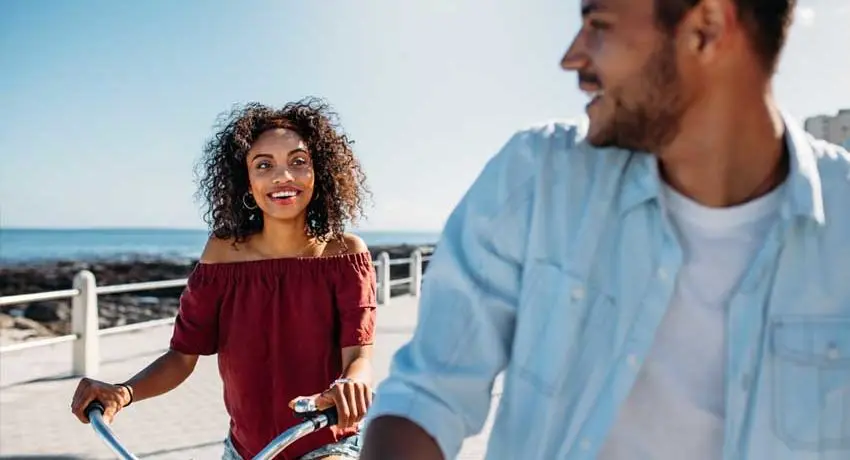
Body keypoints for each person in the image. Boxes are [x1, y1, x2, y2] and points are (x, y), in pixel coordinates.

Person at [361, 1, 850, 459]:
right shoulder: (538, 178)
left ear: (706, 29)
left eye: (598, 25)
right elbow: (428, 395)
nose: (571, 59)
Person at [70, 97, 378, 460]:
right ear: (246, 181)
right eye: (264, 165)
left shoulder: (344, 254)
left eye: (298, 161)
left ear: (318, 173)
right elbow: (181, 356)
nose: (283, 176)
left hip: (326, 442)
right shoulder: (221, 254)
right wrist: (123, 392)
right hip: (244, 450)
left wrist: (351, 384)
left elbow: (359, 356)